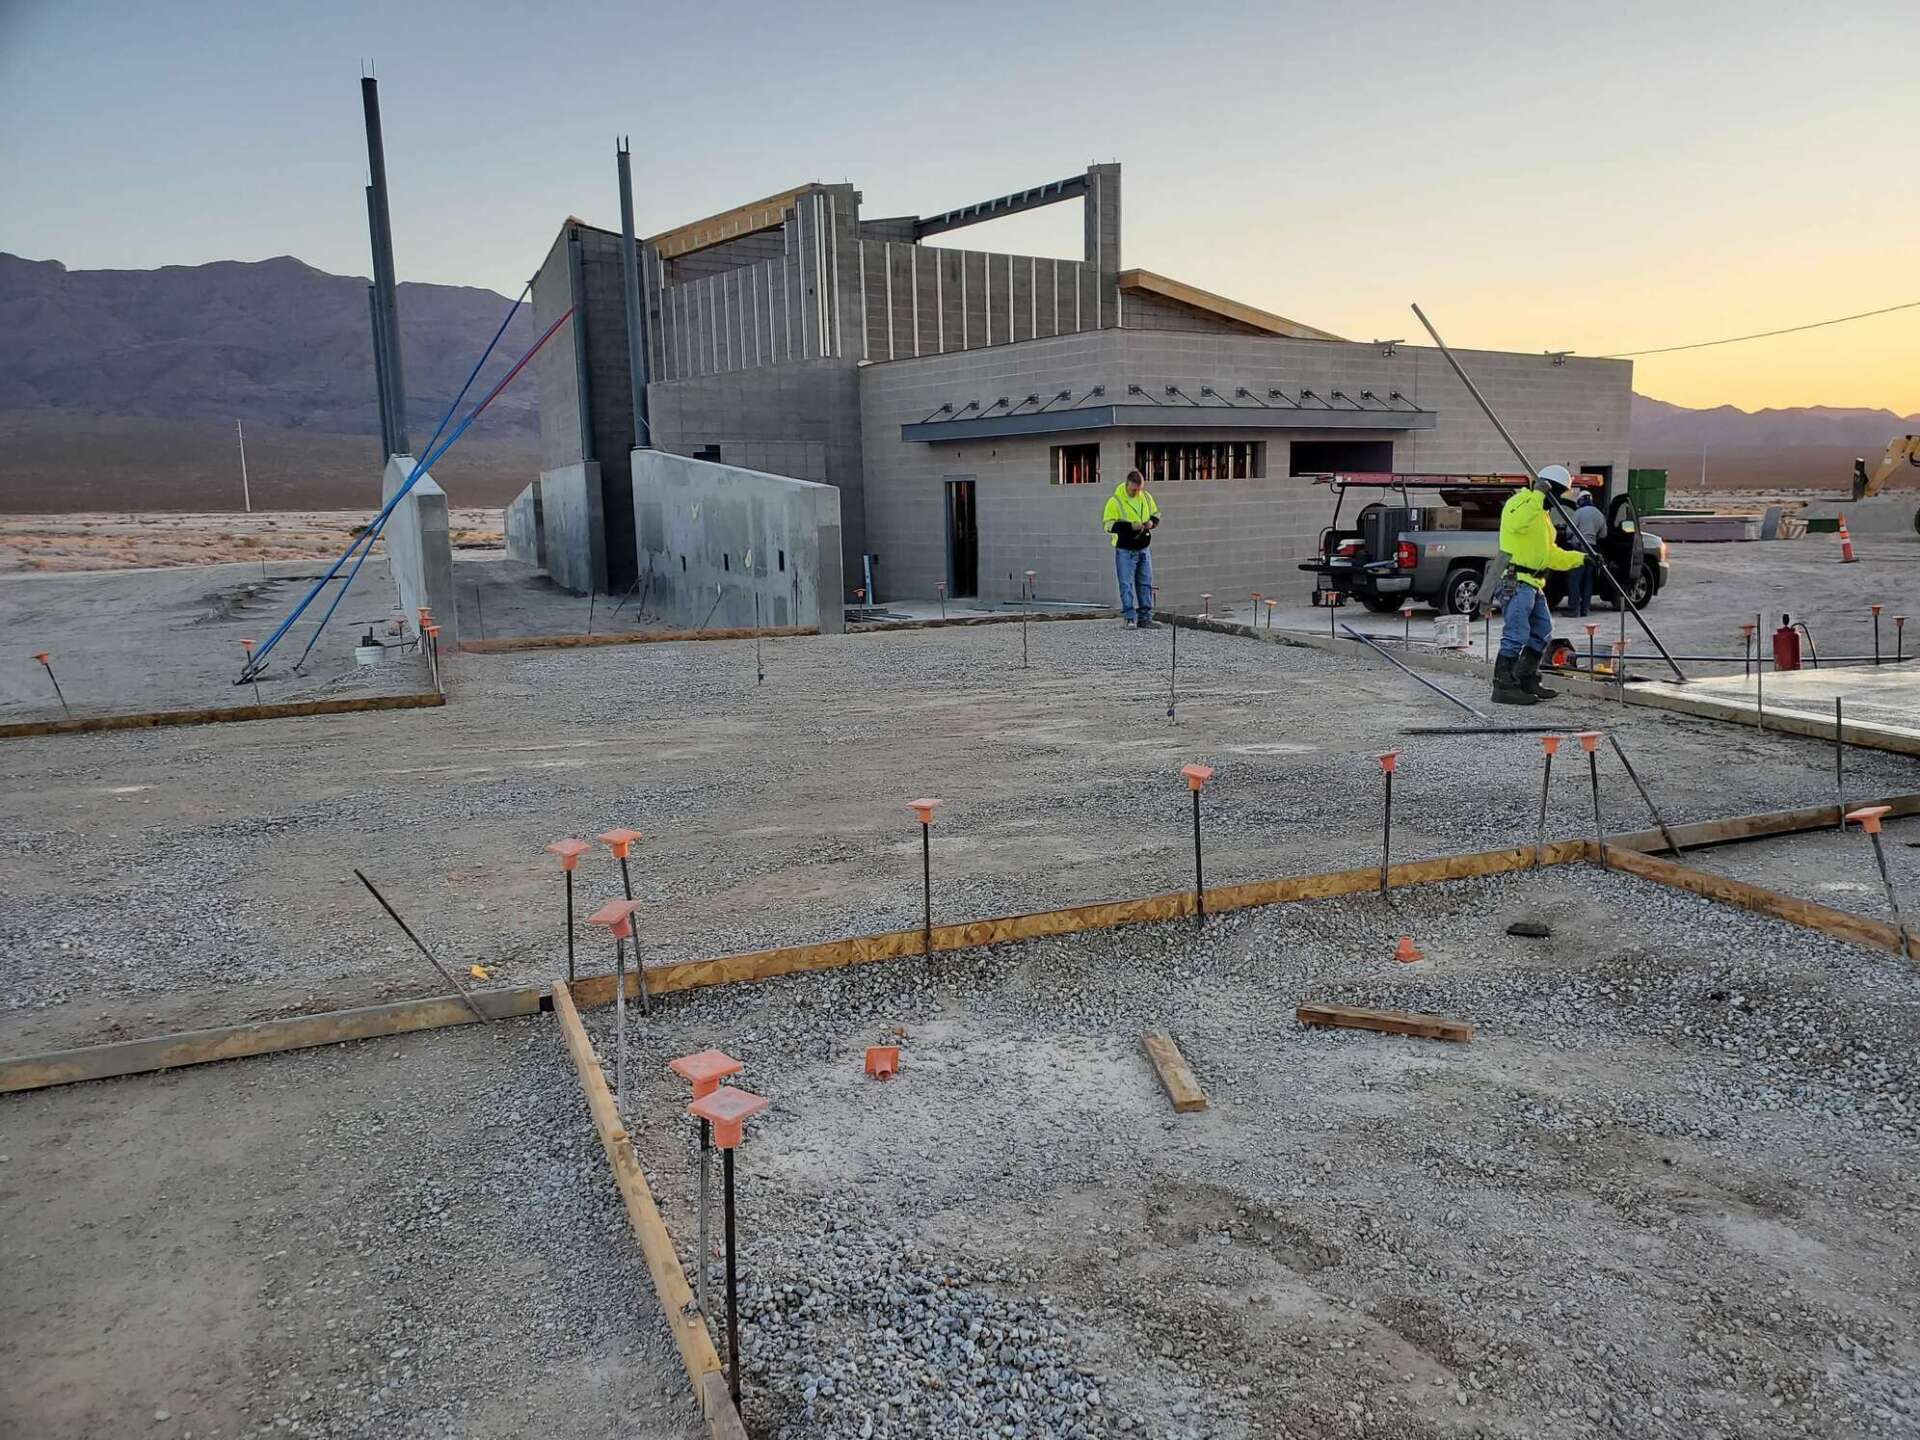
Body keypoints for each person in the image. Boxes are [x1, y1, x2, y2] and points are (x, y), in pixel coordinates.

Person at [1489, 465, 1586, 705]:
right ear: (1547, 487)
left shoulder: (1542, 516)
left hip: (1533, 583)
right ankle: (1503, 686)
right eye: (1559, 493)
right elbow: (1517, 524)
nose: (1558, 500)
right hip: (1516, 580)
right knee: (1516, 634)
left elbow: (1550, 555)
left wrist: (1582, 558)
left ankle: (1526, 677)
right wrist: (1538, 495)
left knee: (1542, 631)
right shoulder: (1520, 503)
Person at [1102, 469, 1161, 628]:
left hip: (1143, 547)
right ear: (1127, 484)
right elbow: (1108, 525)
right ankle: (1129, 617)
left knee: (1145, 583)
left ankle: (1145, 618)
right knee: (1126, 584)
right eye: (1134, 489)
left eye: (1139, 489)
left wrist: (1151, 523)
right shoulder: (1115, 501)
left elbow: (1156, 514)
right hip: (1125, 549)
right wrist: (1129, 527)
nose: (1137, 492)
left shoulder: (1146, 497)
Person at [1563, 489, 1609, 617]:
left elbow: (1569, 530)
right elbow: (1604, 534)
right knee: (1588, 580)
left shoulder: (1579, 512)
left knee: (1574, 579)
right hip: (1593, 550)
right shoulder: (1599, 514)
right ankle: (1585, 609)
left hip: (1578, 548)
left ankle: (1573, 609)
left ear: (1580, 500)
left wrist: (1569, 539)